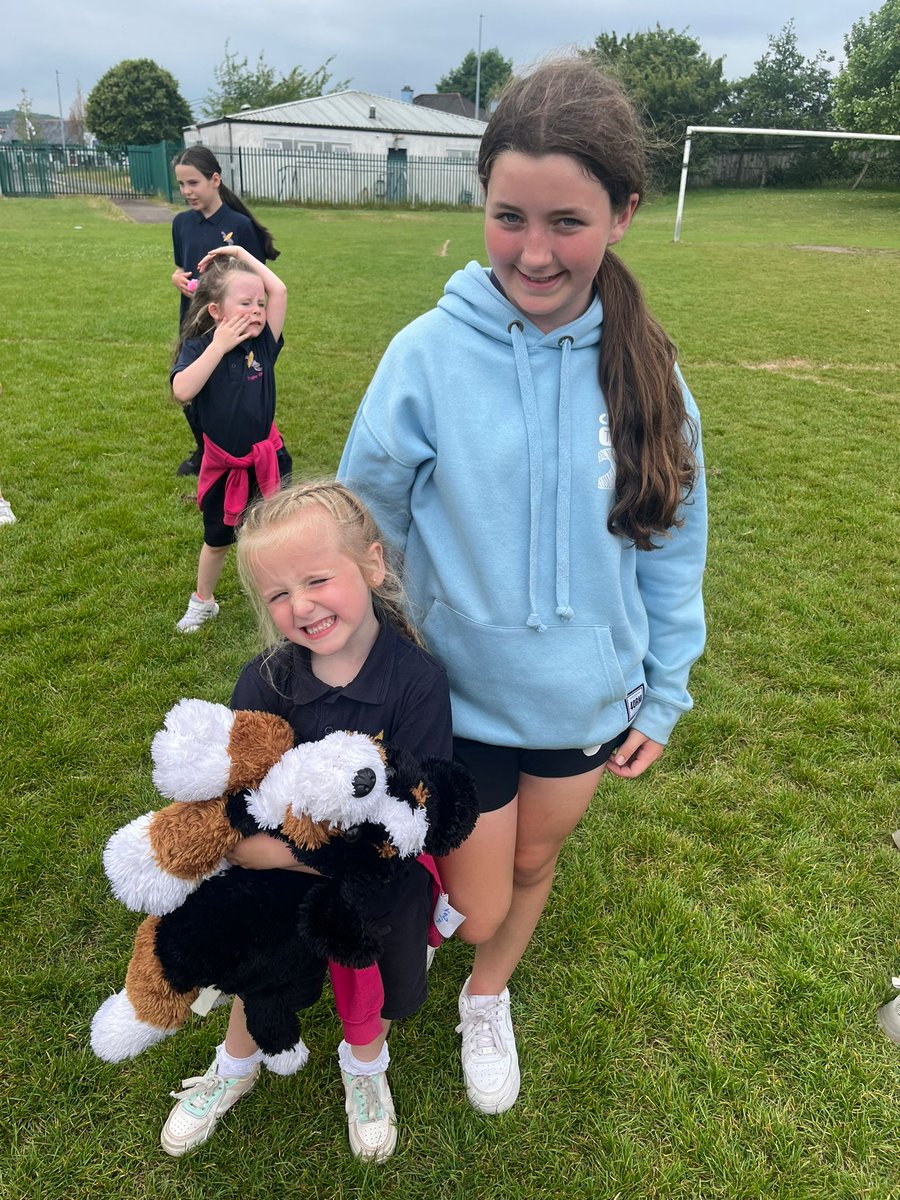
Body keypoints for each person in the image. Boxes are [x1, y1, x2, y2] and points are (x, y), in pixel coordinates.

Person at [339, 57, 708, 1116]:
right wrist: (379, 656)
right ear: (482, 200)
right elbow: (369, 519)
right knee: (477, 885)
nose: (535, 252)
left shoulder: (648, 371)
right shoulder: (425, 354)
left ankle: (485, 999)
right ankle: (422, 939)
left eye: (568, 221)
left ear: (625, 213)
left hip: (586, 699)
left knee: (536, 863)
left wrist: (667, 688)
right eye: (510, 216)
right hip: (453, 693)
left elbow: (671, 543)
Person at [160, 480, 453, 1161]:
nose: (302, 606)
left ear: (372, 565)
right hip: (273, 858)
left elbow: (418, 815)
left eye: (318, 578)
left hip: (379, 872)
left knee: (366, 952)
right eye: (279, 594)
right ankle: (235, 1064)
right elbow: (233, 795)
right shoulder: (264, 680)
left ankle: (365, 1065)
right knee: (253, 932)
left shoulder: (417, 681)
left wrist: (287, 859)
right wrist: (250, 853)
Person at [170, 245, 291, 633]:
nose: (257, 310)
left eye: (260, 303)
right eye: (245, 303)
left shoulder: (264, 344)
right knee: (218, 540)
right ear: (216, 312)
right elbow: (182, 390)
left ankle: (285, 596)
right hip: (226, 469)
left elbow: (280, 290)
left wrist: (240, 252)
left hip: (268, 460)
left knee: (274, 534)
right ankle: (204, 602)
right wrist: (219, 347)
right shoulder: (201, 348)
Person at [170, 146, 280, 477]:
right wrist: (176, 277)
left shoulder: (239, 226)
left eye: (194, 183)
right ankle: (206, 450)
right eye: (181, 185)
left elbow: (256, 281)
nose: (187, 192)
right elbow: (180, 266)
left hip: (235, 321)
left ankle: (239, 447)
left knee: (233, 385)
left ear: (215, 179)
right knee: (195, 388)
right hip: (197, 320)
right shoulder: (180, 224)